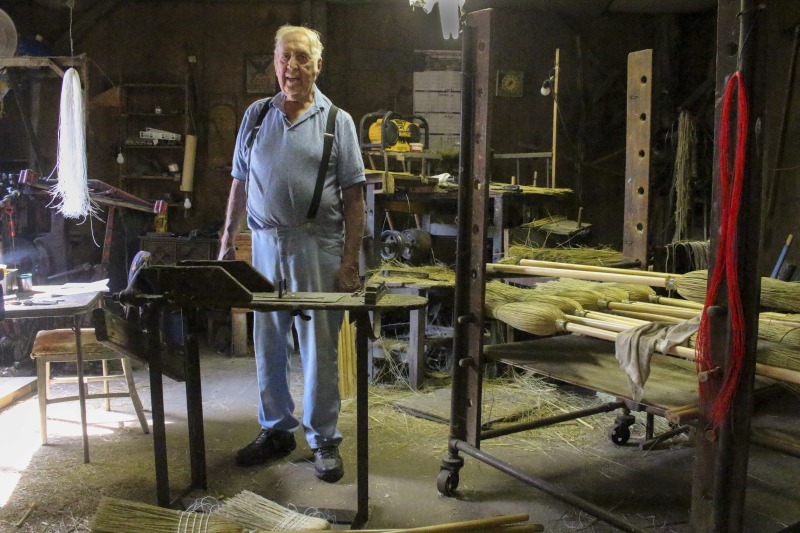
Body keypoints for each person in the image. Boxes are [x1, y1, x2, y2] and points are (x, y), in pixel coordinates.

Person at [217, 24, 365, 483]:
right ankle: (276, 430)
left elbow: (355, 198)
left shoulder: (336, 120)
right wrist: (226, 242)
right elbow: (239, 182)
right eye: (284, 58)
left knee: (318, 345)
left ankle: (323, 439)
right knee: (269, 341)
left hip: (315, 244)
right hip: (264, 244)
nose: (292, 67)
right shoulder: (256, 115)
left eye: (302, 58)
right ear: (274, 62)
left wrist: (348, 263)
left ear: (317, 65)